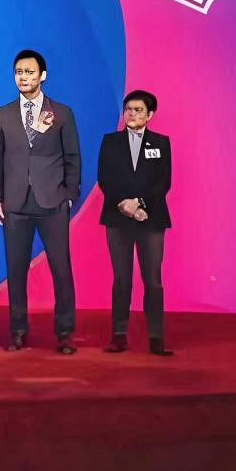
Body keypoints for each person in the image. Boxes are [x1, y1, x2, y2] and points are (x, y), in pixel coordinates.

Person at [0, 49, 81, 354]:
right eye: (19, 72)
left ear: (42, 76)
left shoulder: (62, 113)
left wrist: (69, 194)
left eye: (29, 72)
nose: (23, 77)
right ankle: (17, 330)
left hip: (52, 201)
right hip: (15, 203)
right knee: (16, 270)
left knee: (61, 268)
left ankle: (64, 332)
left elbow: (72, 156)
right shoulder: (2, 114)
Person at [97, 90, 173, 357]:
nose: (132, 114)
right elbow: (105, 178)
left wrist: (139, 203)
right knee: (121, 279)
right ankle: (118, 335)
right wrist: (124, 205)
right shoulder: (110, 142)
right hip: (117, 218)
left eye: (138, 110)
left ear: (150, 114)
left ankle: (156, 337)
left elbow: (163, 182)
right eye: (128, 109)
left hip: (151, 219)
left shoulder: (161, 143)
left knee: (153, 280)